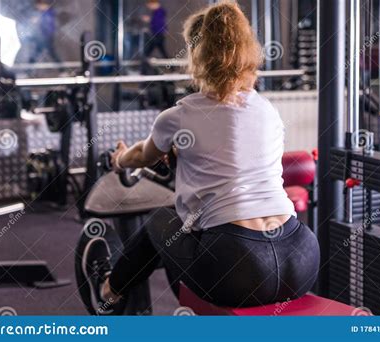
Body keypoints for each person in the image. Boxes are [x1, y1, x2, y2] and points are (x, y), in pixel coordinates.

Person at [82, 2, 320, 313]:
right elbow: (238, 154)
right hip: (301, 256)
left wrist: (120, 159)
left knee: (161, 222)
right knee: (187, 235)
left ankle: (109, 292)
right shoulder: (267, 110)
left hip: (238, 264)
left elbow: (142, 155)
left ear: (199, 56)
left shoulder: (180, 114)